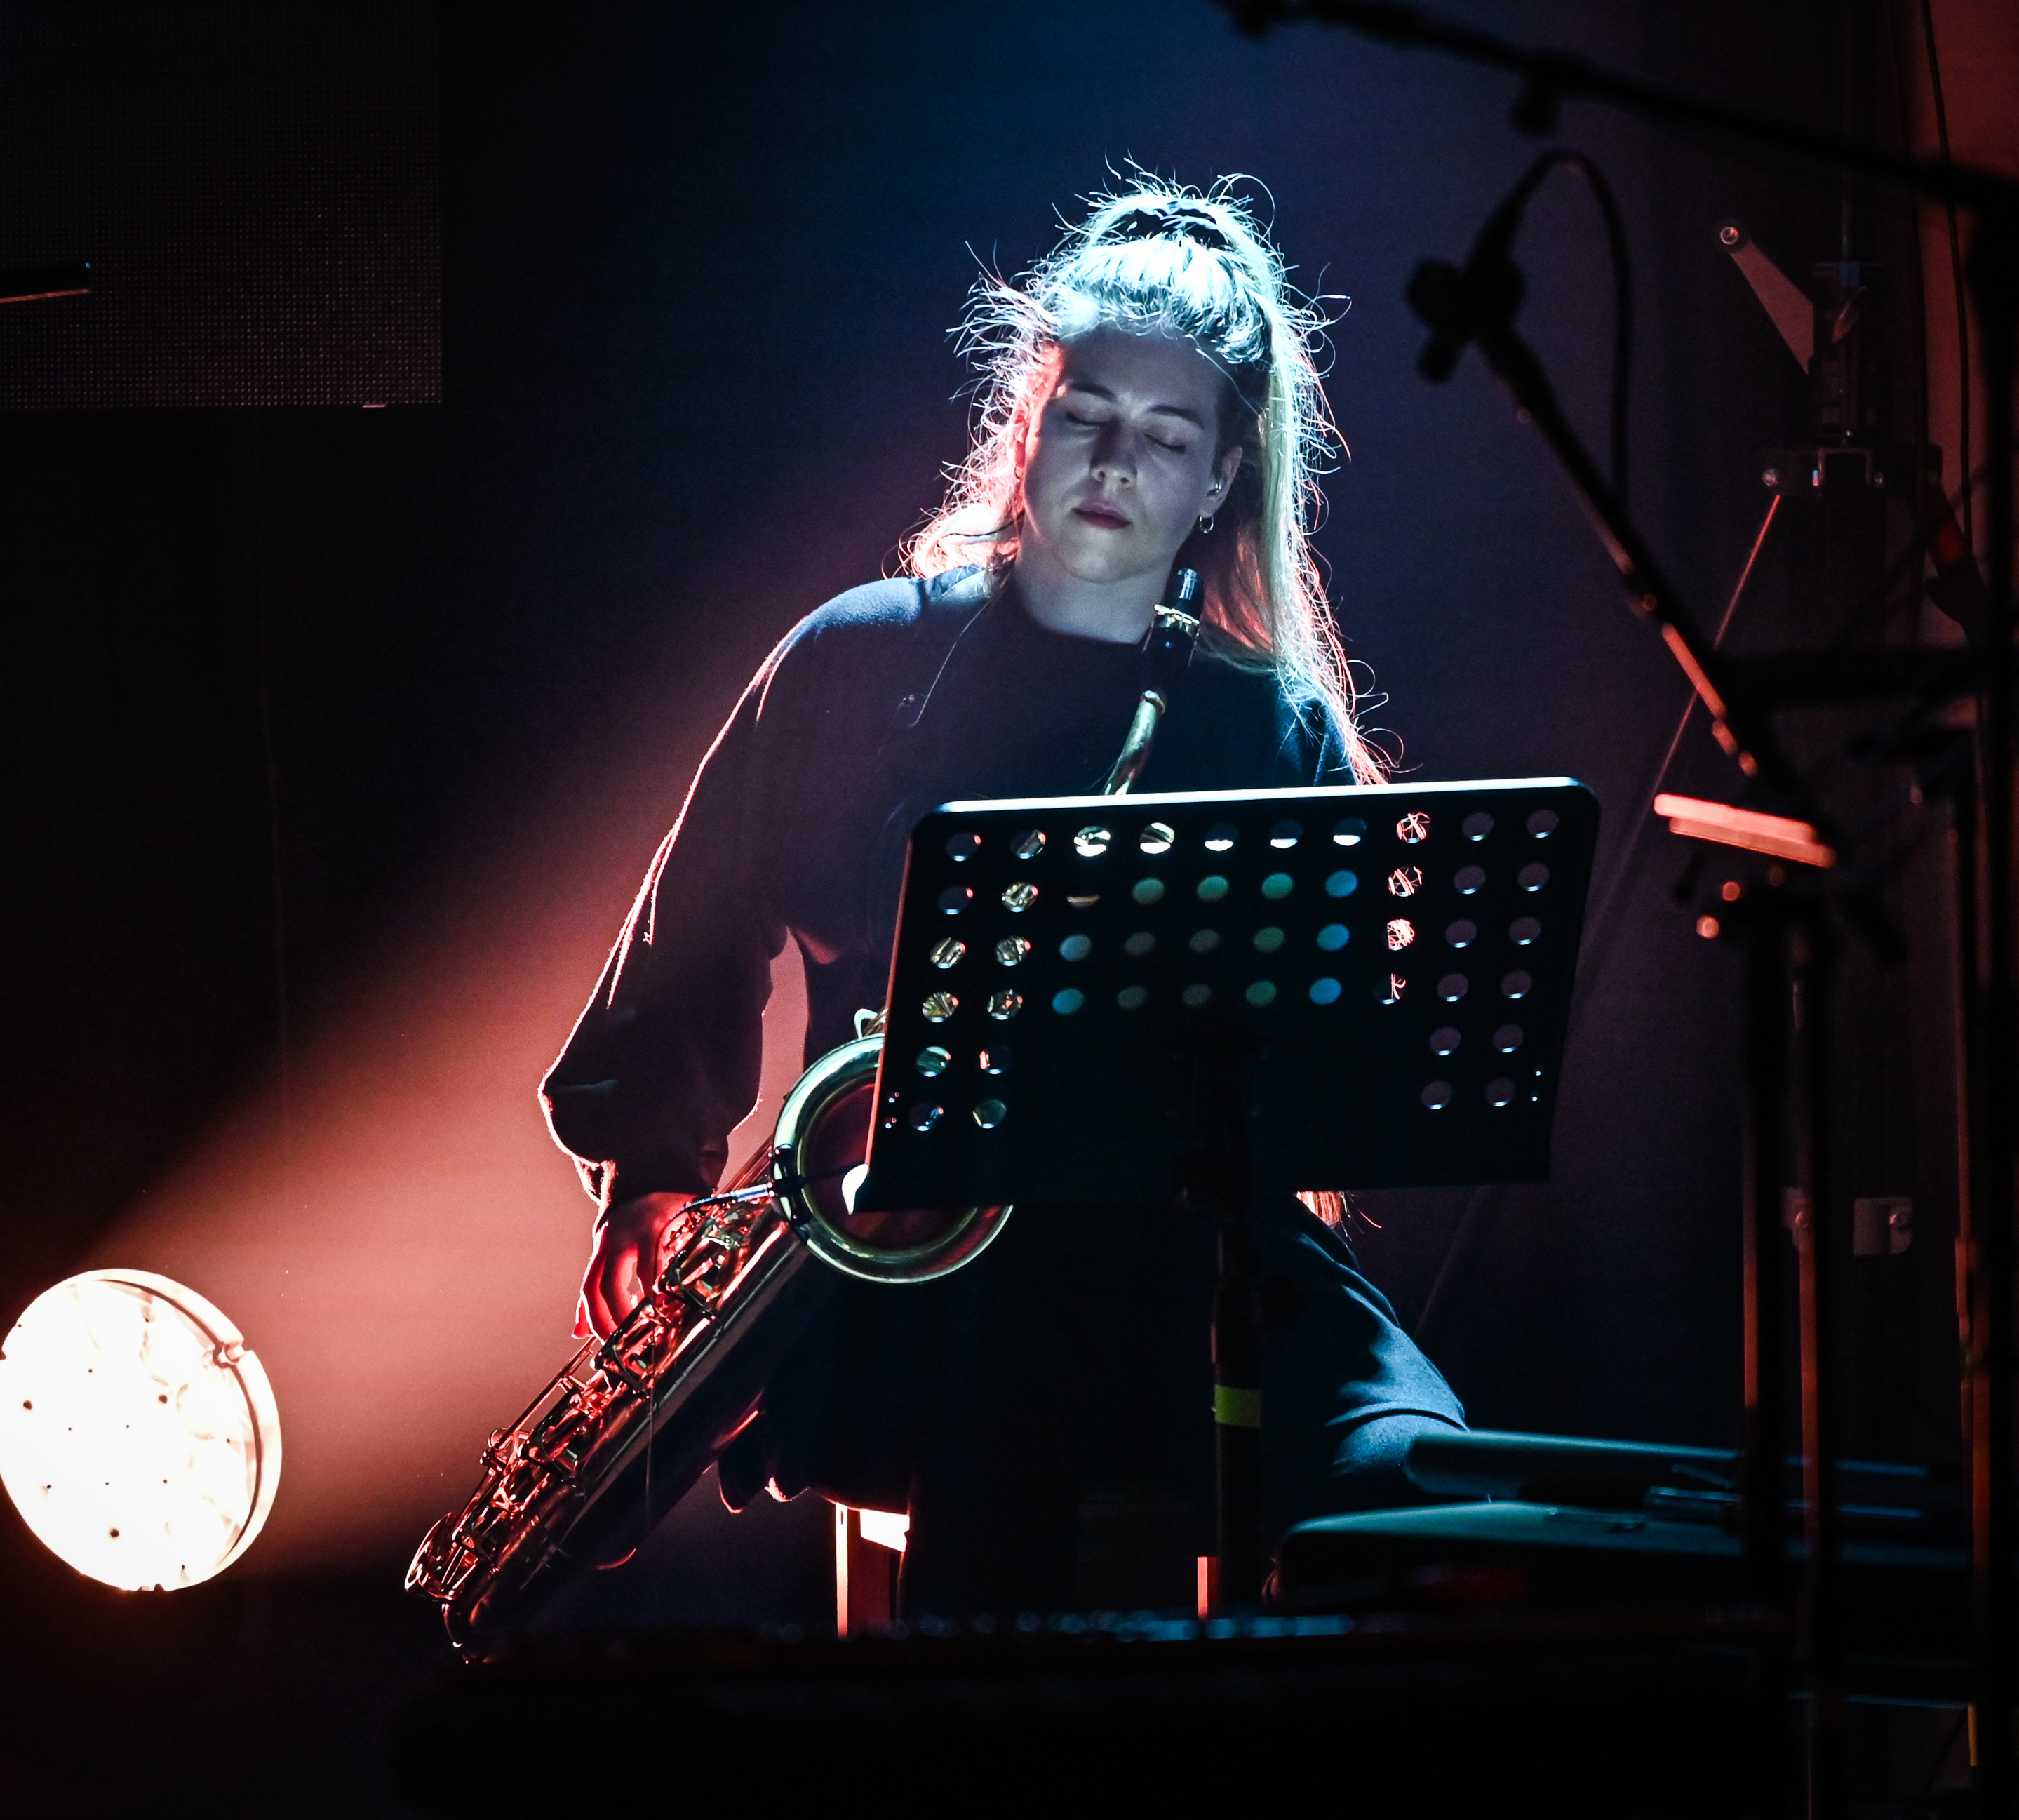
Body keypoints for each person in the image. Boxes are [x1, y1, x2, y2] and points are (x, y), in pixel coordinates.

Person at [542, 180, 1465, 1617]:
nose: (1117, 460)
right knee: (1011, 1426)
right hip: (909, 1265)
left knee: (1417, 1473)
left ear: (1219, 479)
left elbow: (1343, 1047)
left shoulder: (1264, 722)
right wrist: (647, 1174)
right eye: (1086, 412)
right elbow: (688, 936)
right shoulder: (852, 658)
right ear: (1025, 419)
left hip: (1193, 1262)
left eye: (1167, 437)